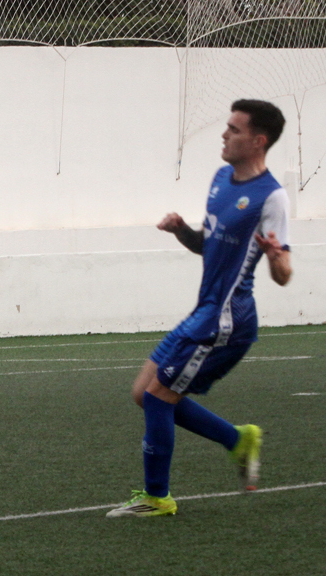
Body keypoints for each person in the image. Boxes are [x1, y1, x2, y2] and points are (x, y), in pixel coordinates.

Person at [107, 99, 292, 518]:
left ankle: (157, 497)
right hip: (204, 311)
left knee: (158, 398)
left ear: (258, 141)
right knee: (143, 393)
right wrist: (181, 230)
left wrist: (276, 256)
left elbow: (283, 274)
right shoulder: (221, 179)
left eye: (234, 129)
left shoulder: (272, 197)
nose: (224, 135)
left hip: (227, 319)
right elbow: (207, 247)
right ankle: (237, 439)